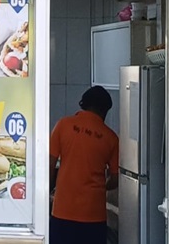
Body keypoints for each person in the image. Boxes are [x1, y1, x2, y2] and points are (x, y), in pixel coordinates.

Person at [49, 85, 119, 244]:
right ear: (105, 111)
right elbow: (115, 179)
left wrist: (49, 193)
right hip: (94, 215)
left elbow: (49, 166)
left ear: (83, 104)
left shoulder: (63, 125)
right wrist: (102, 187)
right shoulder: (111, 138)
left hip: (63, 211)